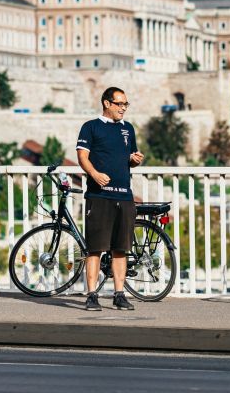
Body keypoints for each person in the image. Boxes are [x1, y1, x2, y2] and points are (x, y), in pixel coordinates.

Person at [76, 86, 145, 312]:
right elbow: (82, 157)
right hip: (99, 196)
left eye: (126, 104)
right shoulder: (91, 127)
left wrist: (135, 160)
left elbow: (129, 157)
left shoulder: (127, 129)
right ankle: (92, 295)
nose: (123, 108)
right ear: (107, 103)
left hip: (124, 195)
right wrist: (94, 174)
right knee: (95, 248)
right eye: (120, 104)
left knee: (120, 249)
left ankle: (119, 294)